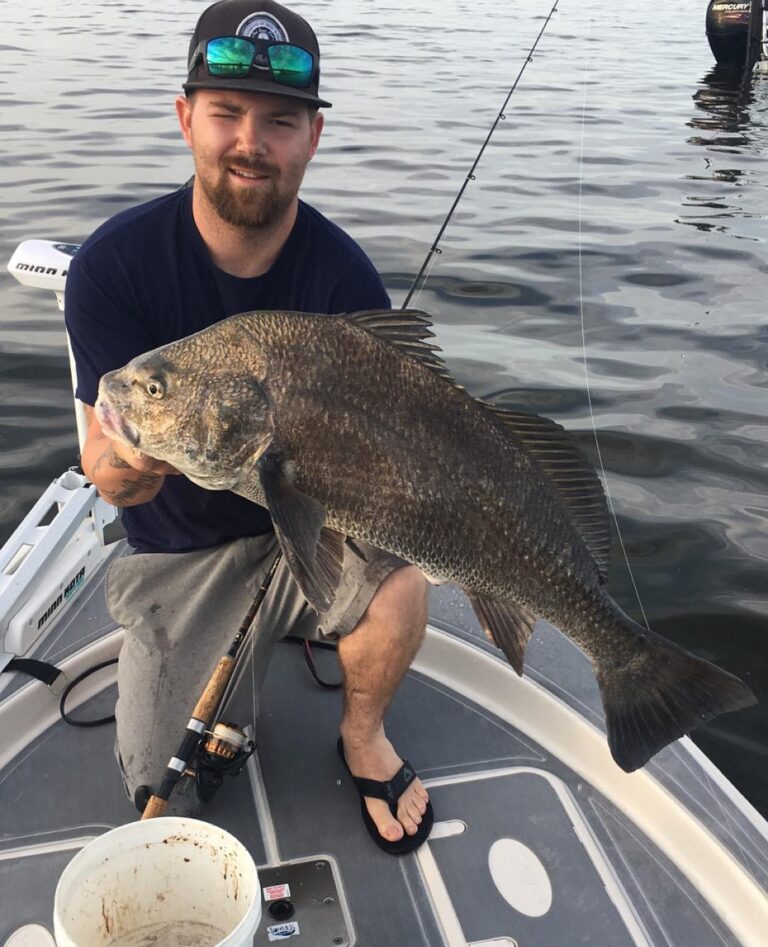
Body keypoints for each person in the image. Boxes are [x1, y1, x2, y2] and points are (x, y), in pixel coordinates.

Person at [64, 0, 432, 855]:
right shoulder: (114, 266)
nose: (249, 142)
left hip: (319, 530)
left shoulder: (345, 276)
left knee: (405, 580)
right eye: (226, 113)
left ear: (313, 136)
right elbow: (100, 451)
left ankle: (363, 732)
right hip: (184, 553)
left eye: (279, 121)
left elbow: (397, 450)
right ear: (187, 117)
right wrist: (123, 468)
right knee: (162, 783)